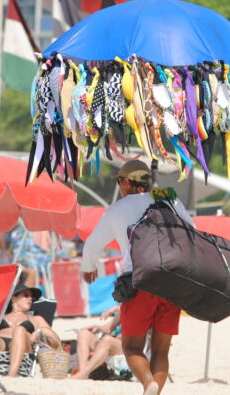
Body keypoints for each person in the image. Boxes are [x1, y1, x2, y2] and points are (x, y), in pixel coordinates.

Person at [81, 160, 194, 395]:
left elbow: (92, 246)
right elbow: (192, 231)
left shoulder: (117, 209)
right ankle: (152, 391)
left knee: (132, 346)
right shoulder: (170, 199)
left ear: (125, 182)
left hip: (140, 282)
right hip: (172, 282)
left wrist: (88, 267)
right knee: (161, 350)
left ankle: (148, 383)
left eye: (119, 182)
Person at [0, 283, 60, 377]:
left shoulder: (36, 319)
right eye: (26, 295)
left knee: (20, 330)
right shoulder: (1, 317)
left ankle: (11, 376)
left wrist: (39, 332)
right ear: (13, 298)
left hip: (24, 353)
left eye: (32, 297)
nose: (30, 298)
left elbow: (56, 341)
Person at [71, 305, 123, 379]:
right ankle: (82, 371)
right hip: (114, 343)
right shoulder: (123, 311)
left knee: (107, 340)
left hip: (128, 347)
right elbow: (107, 328)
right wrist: (97, 328)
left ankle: (85, 373)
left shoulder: (139, 309)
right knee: (84, 334)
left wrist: (116, 308)